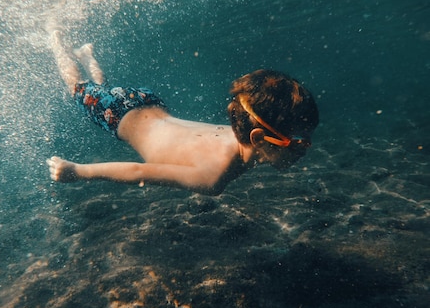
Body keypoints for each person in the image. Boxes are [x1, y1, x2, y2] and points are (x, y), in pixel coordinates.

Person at [46, 31, 319, 195]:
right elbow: (137, 171)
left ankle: (86, 56)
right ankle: (55, 41)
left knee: (100, 89)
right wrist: (78, 171)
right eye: (298, 142)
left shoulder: (239, 132)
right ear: (258, 138)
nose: (305, 149)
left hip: (144, 101)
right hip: (119, 115)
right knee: (77, 87)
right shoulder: (213, 177)